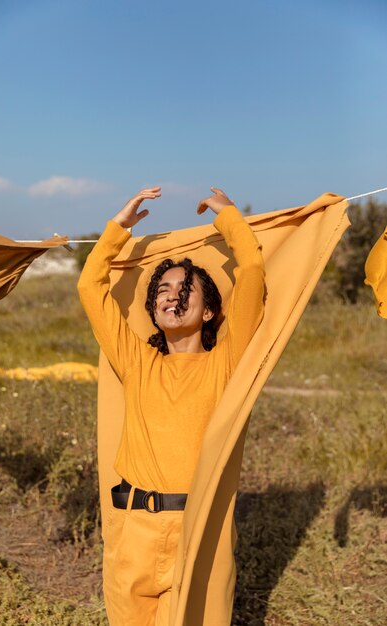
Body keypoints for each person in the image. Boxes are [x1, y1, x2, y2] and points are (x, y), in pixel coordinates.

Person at [77, 186, 265, 626]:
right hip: (133, 530)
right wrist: (118, 229)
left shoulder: (226, 361)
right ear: (154, 307)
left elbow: (253, 269)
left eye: (185, 288)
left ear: (208, 312)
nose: (172, 294)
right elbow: (90, 286)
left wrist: (230, 218)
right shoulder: (136, 360)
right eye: (163, 288)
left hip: (199, 532)